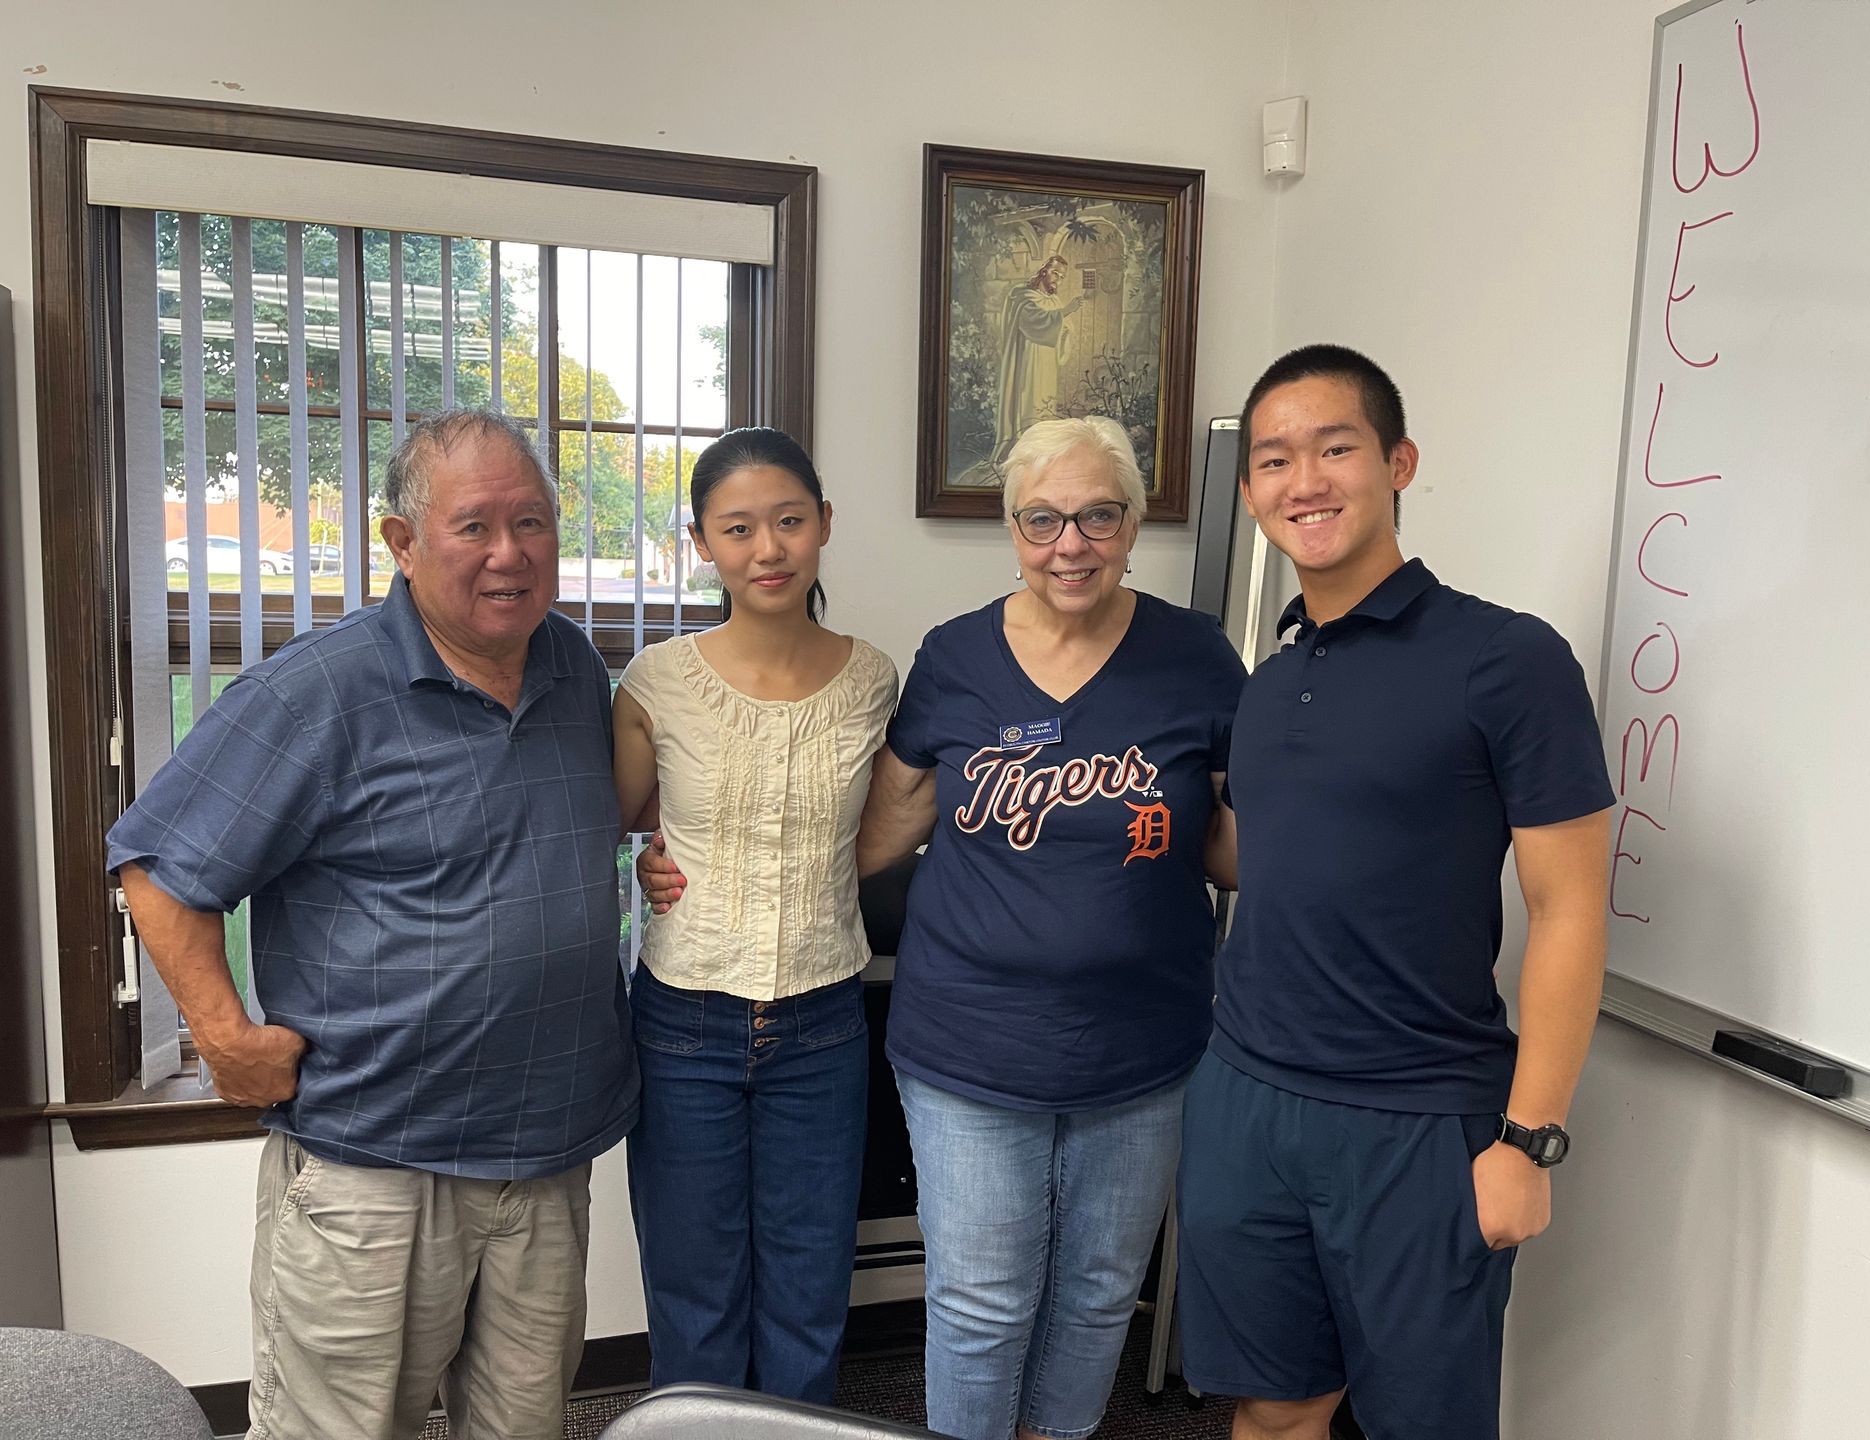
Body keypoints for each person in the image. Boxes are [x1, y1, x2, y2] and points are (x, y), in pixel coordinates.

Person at [643, 414, 1245, 1440]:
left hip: (1146, 1044)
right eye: (1043, 517)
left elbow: (1230, 844)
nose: (1071, 542)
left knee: (1101, 1293)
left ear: (1135, 521)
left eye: (1099, 515)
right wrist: (697, 870)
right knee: (980, 1303)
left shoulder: (1195, 657)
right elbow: (883, 826)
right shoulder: (954, 659)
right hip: (965, 1041)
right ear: (1012, 527)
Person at [107, 408, 640, 1440]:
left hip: (546, 1152)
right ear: (400, 543)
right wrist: (224, 1038)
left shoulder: (572, 667)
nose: (510, 554)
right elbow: (160, 870)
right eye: (474, 527)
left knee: (522, 1427)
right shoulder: (317, 694)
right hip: (375, 1169)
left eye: (531, 523)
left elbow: (581, 827)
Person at [1175, 346, 1615, 1440]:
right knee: (1274, 1411)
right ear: (1250, 492)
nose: (1304, 482)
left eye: (1336, 448)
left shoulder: (1506, 660)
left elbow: (1572, 908)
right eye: (1275, 460)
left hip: (1419, 1117)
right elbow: (1264, 859)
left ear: (1398, 462)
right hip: (1247, 1097)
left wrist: (1529, 1141)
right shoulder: (1270, 683)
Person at [614, 428, 897, 1404]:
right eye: (738, 529)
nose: (767, 549)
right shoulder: (658, 681)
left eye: (788, 522)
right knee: (694, 1299)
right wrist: (651, 863)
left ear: (824, 525)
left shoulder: (873, 679)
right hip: (684, 1023)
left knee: (809, 1296)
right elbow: (620, 818)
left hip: (823, 1026)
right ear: (702, 542)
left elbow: (882, 822)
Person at [988, 255, 1089, 472]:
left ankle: (1040, 451)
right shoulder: (1022, 297)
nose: (1058, 280)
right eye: (1055, 273)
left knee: (1044, 401)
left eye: (1062, 277)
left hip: (1047, 362)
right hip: (1027, 362)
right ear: (1043, 271)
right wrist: (1065, 312)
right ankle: (1022, 450)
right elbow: (1032, 322)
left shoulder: (1053, 301)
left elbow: (1061, 328)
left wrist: (1065, 330)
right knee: (1028, 399)